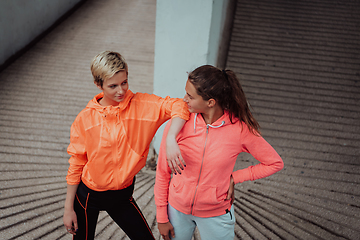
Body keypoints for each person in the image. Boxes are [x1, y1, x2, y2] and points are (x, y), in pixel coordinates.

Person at [63, 51, 189, 240]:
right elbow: (77, 162)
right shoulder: (85, 119)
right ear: (99, 85)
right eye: (113, 86)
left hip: (122, 195)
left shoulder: (143, 105)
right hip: (89, 195)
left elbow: (179, 105)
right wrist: (68, 208)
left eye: (124, 82)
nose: (121, 91)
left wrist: (171, 137)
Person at [154, 65, 284, 240]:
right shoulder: (178, 125)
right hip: (177, 210)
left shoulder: (239, 130)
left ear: (210, 102)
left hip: (215, 214)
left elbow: (274, 163)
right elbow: (162, 172)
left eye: (190, 96)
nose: (184, 100)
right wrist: (162, 216)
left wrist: (234, 178)